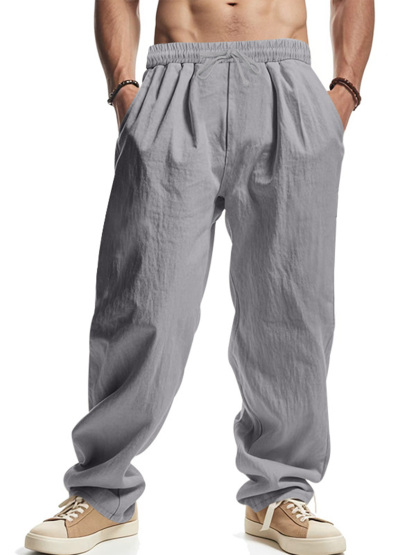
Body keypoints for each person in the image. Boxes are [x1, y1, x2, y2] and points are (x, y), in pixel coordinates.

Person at [25, 0, 374, 554]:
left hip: (287, 82)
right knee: (143, 302)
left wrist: (344, 93)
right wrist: (125, 91)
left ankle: (280, 492)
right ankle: (103, 493)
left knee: (291, 307)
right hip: (175, 77)